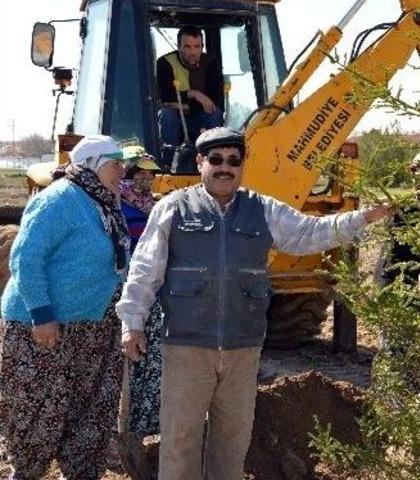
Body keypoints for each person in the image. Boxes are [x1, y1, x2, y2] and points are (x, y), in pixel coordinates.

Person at [116, 127, 389, 479]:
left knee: (233, 437)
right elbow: (144, 270)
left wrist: (359, 219)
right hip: (185, 345)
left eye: (233, 160)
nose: (224, 167)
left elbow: (308, 233)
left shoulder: (263, 209)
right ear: (200, 162)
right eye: (215, 160)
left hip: (242, 347)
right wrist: (132, 322)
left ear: (243, 164)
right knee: (180, 435)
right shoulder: (173, 208)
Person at [0, 135, 130, 479]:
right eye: (116, 164)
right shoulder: (59, 199)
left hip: (93, 327)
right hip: (44, 329)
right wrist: (41, 314)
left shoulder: (103, 202)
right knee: (36, 414)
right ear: (93, 165)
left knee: (89, 414)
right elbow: (25, 258)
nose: (123, 171)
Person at [116, 145, 163, 472]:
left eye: (150, 175)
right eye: (139, 175)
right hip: (121, 295)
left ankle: (145, 433)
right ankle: (121, 439)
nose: (145, 181)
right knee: (124, 369)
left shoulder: (157, 207)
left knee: (152, 364)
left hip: (156, 298)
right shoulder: (115, 207)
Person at [157, 25, 224, 152]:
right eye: (187, 47)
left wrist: (182, 105)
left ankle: (212, 156)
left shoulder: (211, 63)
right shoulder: (165, 63)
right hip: (176, 121)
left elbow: (214, 100)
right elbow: (165, 97)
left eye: (197, 47)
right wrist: (194, 94)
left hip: (200, 119)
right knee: (167, 114)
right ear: (179, 47)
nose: (193, 52)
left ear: (202, 47)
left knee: (214, 113)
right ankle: (170, 158)